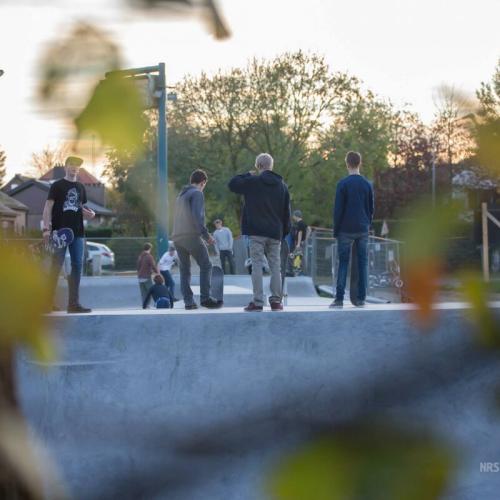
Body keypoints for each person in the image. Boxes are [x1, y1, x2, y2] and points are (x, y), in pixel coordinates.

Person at [228, 153, 291, 312]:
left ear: (258, 166)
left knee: (256, 264)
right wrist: (284, 232)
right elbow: (286, 212)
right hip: (275, 232)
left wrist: (247, 174)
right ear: (271, 166)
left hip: (256, 231)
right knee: (275, 266)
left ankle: (257, 302)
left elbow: (232, 184)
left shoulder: (252, 181)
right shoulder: (282, 185)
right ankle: (276, 301)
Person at [42, 156, 95, 313]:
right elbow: (48, 207)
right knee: (56, 266)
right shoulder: (57, 186)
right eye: (71, 165)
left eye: (77, 166)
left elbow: (79, 208)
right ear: (66, 167)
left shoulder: (80, 187)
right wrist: (46, 228)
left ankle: (73, 304)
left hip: (78, 233)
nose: (74, 168)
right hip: (60, 232)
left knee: (77, 265)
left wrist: (89, 214)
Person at [171, 169, 221, 310]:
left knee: (184, 270)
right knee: (206, 265)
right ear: (203, 182)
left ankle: (189, 302)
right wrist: (206, 236)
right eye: (205, 185)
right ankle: (205, 298)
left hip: (177, 237)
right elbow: (196, 217)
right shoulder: (197, 193)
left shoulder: (181, 196)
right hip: (191, 236)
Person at [331, 151, 374, 308]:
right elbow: (371, 208)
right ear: (359, 163)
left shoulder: (342, 184)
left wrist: (336, 230)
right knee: (362, 264)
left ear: (347, 164)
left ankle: (339, 299)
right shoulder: (367, 184)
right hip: (362, 229)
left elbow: (338, 210)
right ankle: (361, 298)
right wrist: (367, 224)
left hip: (345, 229)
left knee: (343, 263)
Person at [137, 242, 159, 308]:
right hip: (146, 277)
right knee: (151, 291)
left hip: (140, 277)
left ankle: (145, 305)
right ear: (149, 248)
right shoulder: (149, 256)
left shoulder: (140, 256)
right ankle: (156, 303)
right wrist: (157, 273)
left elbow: (138, 266)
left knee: (143, 293)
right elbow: (153, 266)